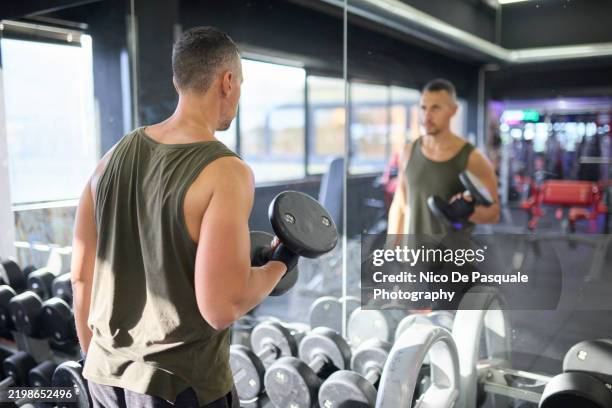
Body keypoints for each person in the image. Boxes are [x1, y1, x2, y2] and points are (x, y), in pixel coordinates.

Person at [70, 27, 290, 408]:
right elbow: (221, 307)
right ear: (227, 82)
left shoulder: (111, 158)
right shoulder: (226, 171)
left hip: (104, 376)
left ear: (177, 81)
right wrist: (280, 267)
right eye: (240, 84)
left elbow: (81, 275)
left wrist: (98, 362)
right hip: (179, 386)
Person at [387, 79, 500, 240]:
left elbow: (494, 213)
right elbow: (400, 203)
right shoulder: (408, 151)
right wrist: (391, 251)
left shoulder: (473, 157)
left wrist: (469, 212)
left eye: (436, 108)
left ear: (453, 110)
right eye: (423, 108)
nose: (427, 116)